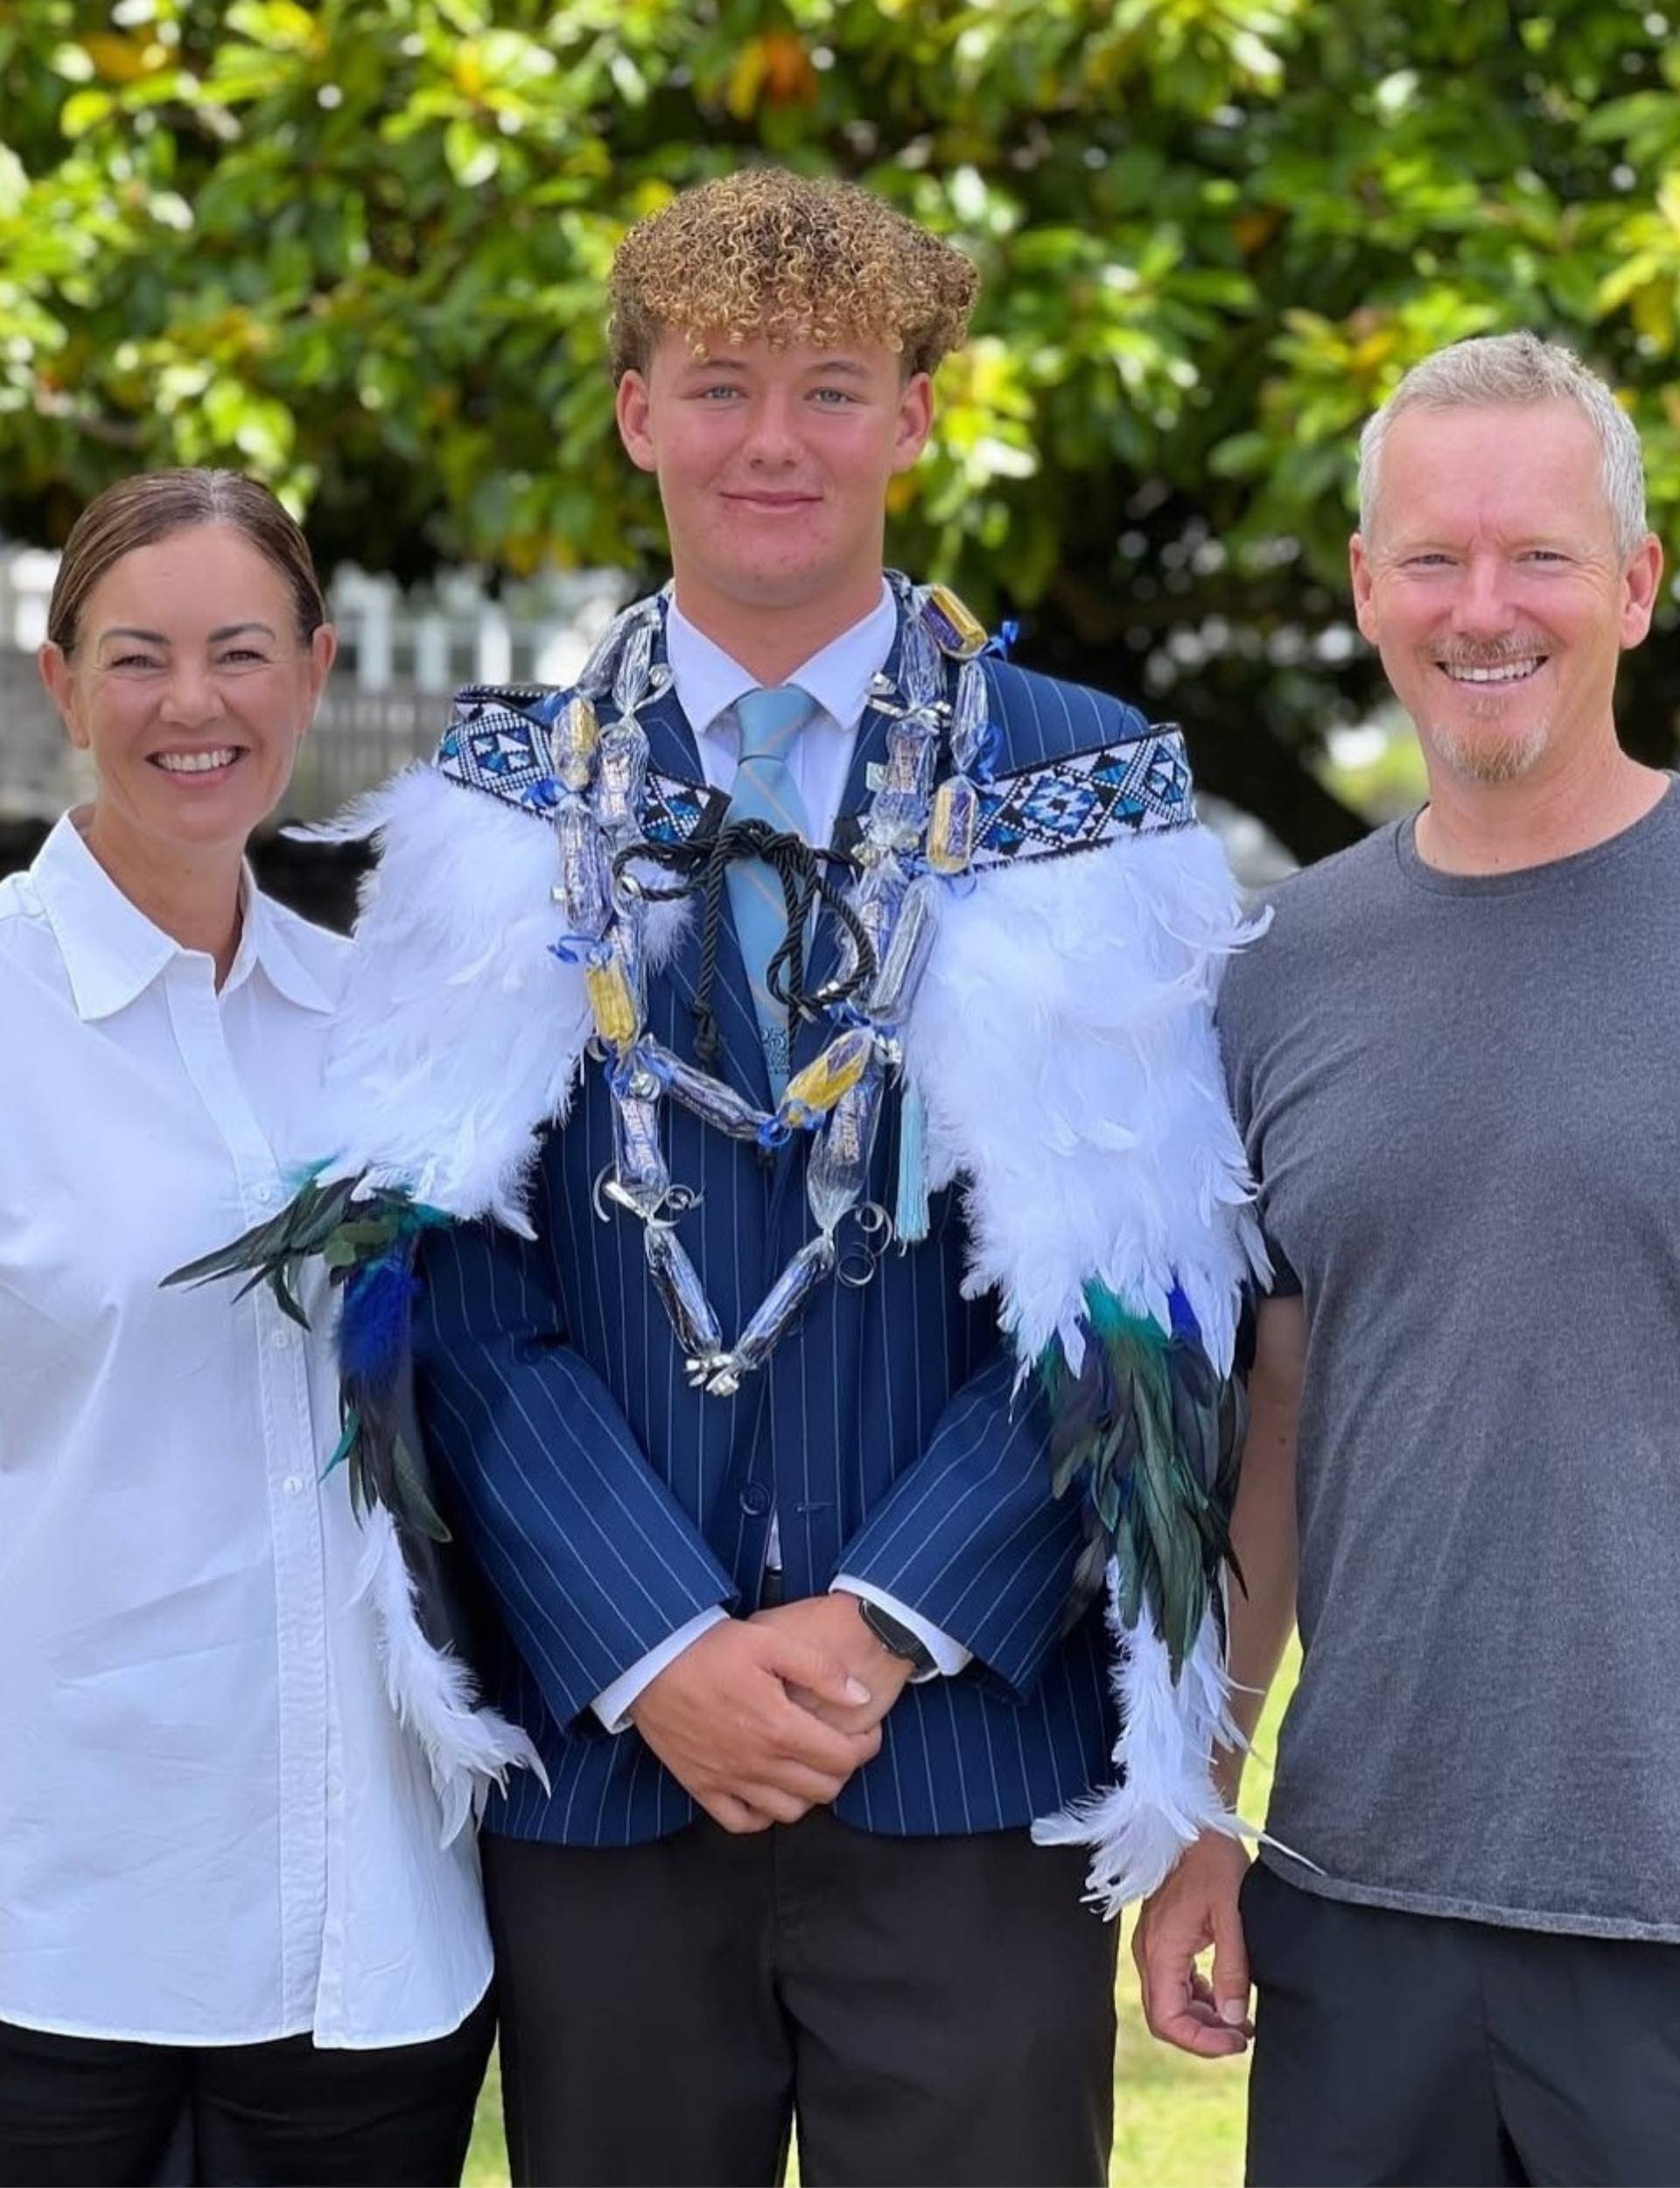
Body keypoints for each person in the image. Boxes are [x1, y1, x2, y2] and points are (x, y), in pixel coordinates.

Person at [238, 168, 1264, 2188]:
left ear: (917, 415)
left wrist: (884, 1624)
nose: (772, 441)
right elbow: (447, 1280)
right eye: (720, 386)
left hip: (968, 1760)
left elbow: (1136, 1274)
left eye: (830, 387)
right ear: (638, 415)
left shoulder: (1080, 783)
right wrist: (658, 1646)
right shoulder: (499, 798)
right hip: (613, 1768)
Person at [1135, 330, 1680, 2186]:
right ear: (1368, 587)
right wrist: (1201, 1801)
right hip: (1359, 1910)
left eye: (1539, 554)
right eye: (1434, 557)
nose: (1483, 607)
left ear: (1635, 583)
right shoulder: (1273, 973)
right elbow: (1276, 1424)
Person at [0, 470, 500, 2188]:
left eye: (237, 651)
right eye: (136, 659)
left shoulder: (380, 1025)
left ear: (312, 667)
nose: (191, 704)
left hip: (374, 1928)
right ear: (63, 685)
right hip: (54, 1923)